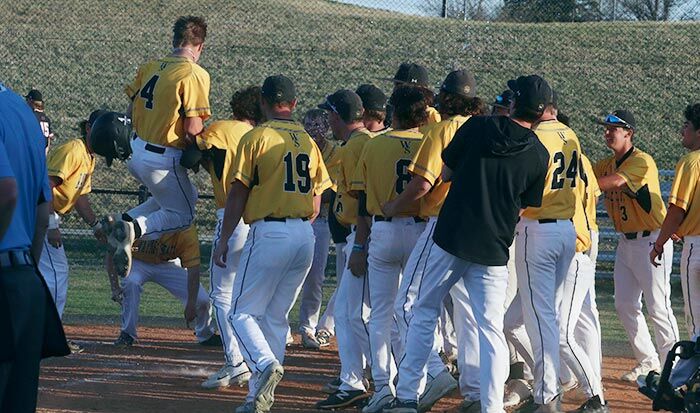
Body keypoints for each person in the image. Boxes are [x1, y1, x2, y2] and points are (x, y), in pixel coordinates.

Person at [385, 74, 549, 413]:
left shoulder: (478, 127)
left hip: (451, 237)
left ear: (514, 103)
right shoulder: (538, 153)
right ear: (542, 111)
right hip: (494, 248)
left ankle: (406, 396)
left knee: (422, 310)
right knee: (489, 327)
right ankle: (490, 406)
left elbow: (445, 174)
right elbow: (522, 206)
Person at [212, 74, 331, 413]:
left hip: (270, 232)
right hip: (304, 234)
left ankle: (264, 364)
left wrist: (223, 240)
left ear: (263, 103)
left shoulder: (257, 136)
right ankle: (258, 400)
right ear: (293, 104)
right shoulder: (308, 140)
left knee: (240, 312)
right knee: (276, 318)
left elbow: (238, 192)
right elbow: (317, 198)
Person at [382, 69, 483, 412]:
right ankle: (475, 391)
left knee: (407, 304)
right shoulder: (484, 128)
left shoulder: (440, 130)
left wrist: (394, 206)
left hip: (441, 223)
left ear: (446, 97)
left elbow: (423, 185)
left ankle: (423, 380)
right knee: (469, 314)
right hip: (479, 228)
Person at [104, 15, 210, 278]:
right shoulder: (194, 73)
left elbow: (130, 110)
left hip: (135, 150)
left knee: (183, 197)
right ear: (201, 46)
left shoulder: (151, 66)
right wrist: (204, 150)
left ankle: (124, 220)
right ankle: (134, 229)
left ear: (174, 41)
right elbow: (192, 128)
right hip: (163, 159)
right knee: (182, 215)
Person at [345, 85, 429, 413]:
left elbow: (363, 203)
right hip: (421, 232)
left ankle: (382, 385)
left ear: (393, 113)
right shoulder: (429, 143)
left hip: (382, 230)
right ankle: (416, 385)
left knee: (380, 313)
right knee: (418, 311)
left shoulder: (375, 144)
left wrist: (360, 245)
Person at [511, 78, 584, 413]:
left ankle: (547, 396)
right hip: (566, 231)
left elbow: (524, 191)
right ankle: (551, 386)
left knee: (540, 318)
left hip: (537, 232)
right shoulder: (570, 135)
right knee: (528, 318)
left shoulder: (533, 137)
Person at [593, 109, 679, 382]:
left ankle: (675, 370)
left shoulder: (642, 161)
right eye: (606, 128)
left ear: (629, 133)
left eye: (614, 128)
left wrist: (584, 187)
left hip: (652, 240)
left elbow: (614, 182)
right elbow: (589, 177)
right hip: (626, 243)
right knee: (624, 304)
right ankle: (648, 361)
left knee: (658, 306)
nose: (608, 132)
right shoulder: (605, 163)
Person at [0, 81, 69, 412]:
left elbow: (6, 193)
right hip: (25, 281)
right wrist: (29, 267)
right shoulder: (24, 113)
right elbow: (43, 214)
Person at [195, 86, 262, 388]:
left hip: (232, 216)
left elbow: (191, 148)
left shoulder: (221, 129)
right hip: (262, 222)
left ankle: (235, 362)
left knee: (221, 293)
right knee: (247, 295)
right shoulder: (265, 136)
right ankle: (252, 359)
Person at [314, 89, 375, 410]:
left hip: (361, 236)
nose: (329, 121)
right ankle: (365, 378)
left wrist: (360, 245)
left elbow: (362, 200)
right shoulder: (364, 142)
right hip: (360, 236)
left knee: (353, 314)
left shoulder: (356, 147)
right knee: (357, 313)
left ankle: (362, 381)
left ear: (338, 116)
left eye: (330, 115)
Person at [39, 109, 105, 353]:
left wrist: (95, 225)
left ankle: (38, 333)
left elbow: (80, 198)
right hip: (39, 214)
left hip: (43, 214)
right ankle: (49, 337)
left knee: (42, 274)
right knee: (58, 274)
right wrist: (51, 223)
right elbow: (44, 183)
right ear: (88, 128)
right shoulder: (74, 150)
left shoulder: (89, 156)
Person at [108, 224, 219, 347]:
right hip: (138, 262)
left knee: (202, 300)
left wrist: (191, 304)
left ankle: (205, 334)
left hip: (170, 264)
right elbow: (112, 253)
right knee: (131, 283)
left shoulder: (186, 230)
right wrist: (115, 287)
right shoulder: (139, 223)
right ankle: (127, 334)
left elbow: (194, 270)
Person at [651, 103, 700, 342]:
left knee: (696, 320)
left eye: (687, 125)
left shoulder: (691, 161)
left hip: (697, 248)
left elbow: (677, 210)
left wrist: (659, 243)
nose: (683, 130)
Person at [297, 108, 334, 350]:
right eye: (309, 124)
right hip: (297, 220)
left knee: (315, 277)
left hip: (321, 220)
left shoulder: (335, 151)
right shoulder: (299, 145)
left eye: (319, 124)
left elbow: (332, 191)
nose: (313, 129)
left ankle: (308, 328)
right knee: (288, 275)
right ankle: (277, 326)